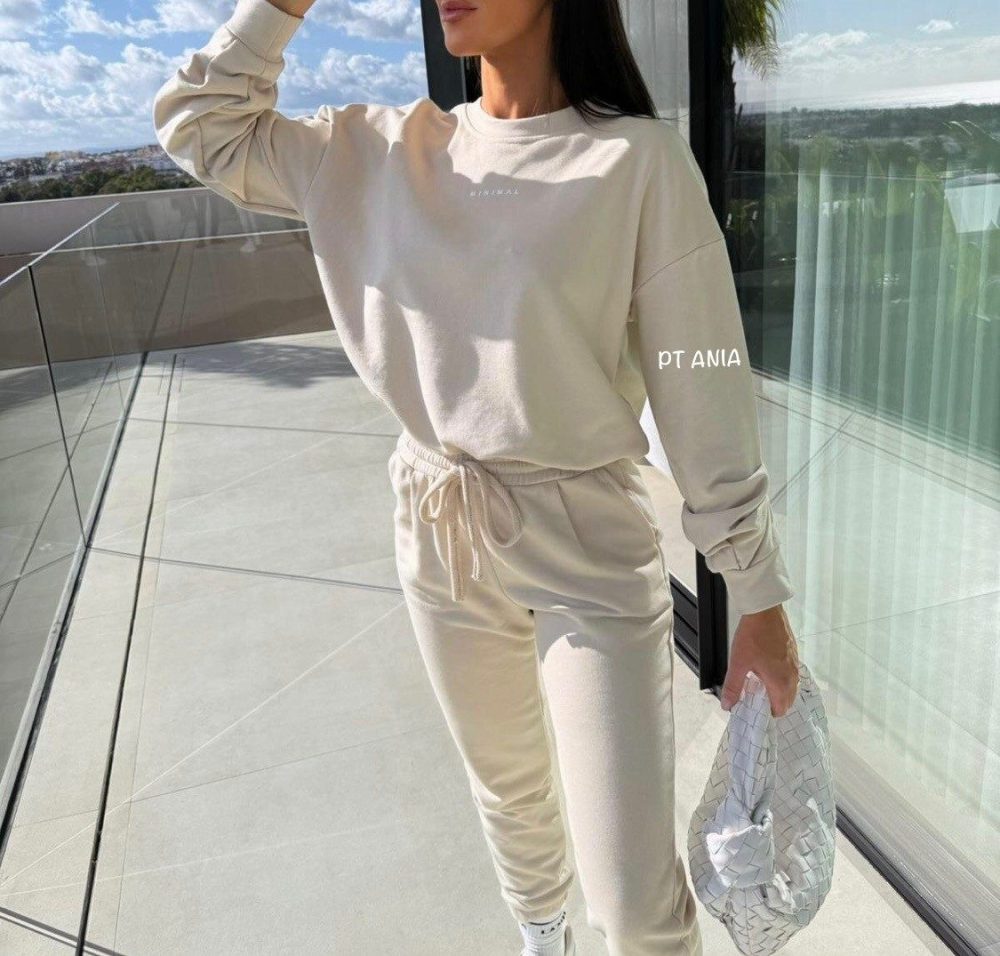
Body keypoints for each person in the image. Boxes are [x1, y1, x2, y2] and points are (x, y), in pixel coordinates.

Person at [152, 0, 802, 953]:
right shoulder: (378, 153)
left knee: (632, 899)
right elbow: (200, 125)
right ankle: (541, 938)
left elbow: (701, 376)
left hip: (586, 537)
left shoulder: (636, 162)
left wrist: (755, 593)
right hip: (438, 517)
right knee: (509, 798)